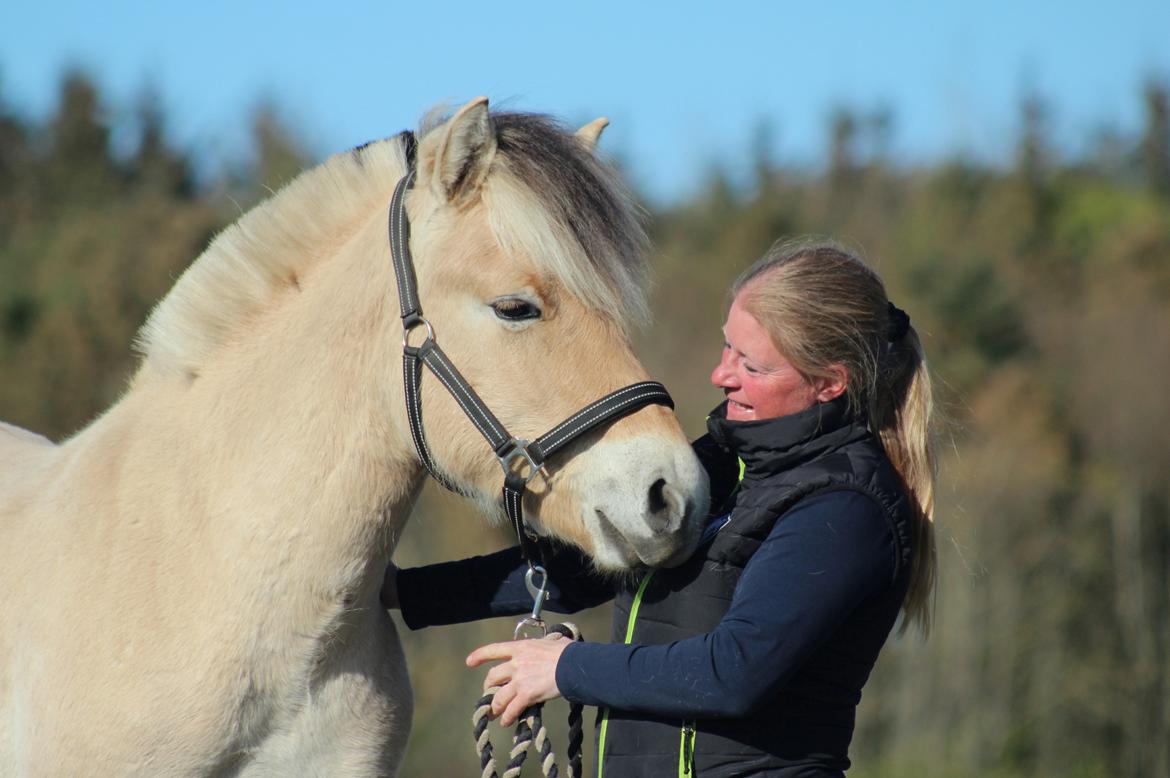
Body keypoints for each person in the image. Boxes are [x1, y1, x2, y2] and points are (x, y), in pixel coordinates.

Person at [383, 240, 937, 777]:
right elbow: (586, 570)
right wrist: (402, 593)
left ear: (829, 383)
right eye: (727, 348)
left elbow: (732, 671)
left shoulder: (846, 508)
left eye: (753, 365)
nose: (721, 375)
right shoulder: (727, 462)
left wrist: (565, 670)